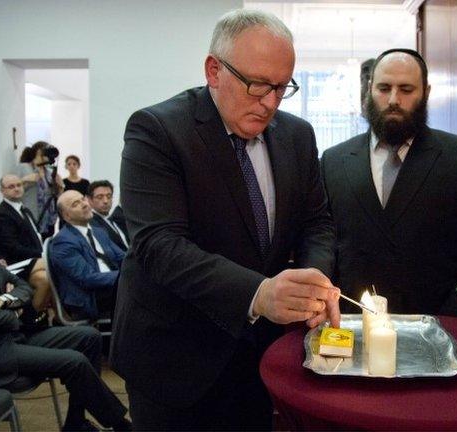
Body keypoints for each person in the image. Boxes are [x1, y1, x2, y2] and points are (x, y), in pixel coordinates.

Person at [110, 10, 341, 430]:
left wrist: (311, 279)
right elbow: (159, 245)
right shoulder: (157, 130)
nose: (270, 102)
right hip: (175, 358)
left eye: (281, 87)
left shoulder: (298, 135)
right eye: (256, 85)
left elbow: (317, 222)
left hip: (260, 354)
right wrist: (259, 293)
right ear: (213, 71)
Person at [321, 48, 457, 316]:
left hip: (437, 330)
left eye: (406, 90)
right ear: (370, 89)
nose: (393, 99)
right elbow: (323, 241)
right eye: (384, 88)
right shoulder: (333, 161)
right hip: (350, 327)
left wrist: (449, 321)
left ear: (426, 93)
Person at [0, 197, 131, 432]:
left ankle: (75, 421)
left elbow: (22, 286)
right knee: (74, 362)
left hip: (15, 334)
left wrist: (1, 300)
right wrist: (15, 311)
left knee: (89, 336)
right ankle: (121, 425)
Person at [52, 190, 124, 320]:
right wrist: (125, 277)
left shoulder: (99, 232)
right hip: (92, 297)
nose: (84, 204)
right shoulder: (63, 241)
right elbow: (87, 278)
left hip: (114, 287)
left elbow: (123, 258)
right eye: (75, 204)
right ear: (67, 216)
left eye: (83, 199)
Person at [0, 174, 52, 313]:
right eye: (11, 187)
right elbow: (12, 248)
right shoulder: (3, 214)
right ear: (2, 191)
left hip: (29, 261)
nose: (16, 189)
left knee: (47, 277)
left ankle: (44, 316)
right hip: (13, 265)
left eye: (19, 185)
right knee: (50, 271)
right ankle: (31, 318)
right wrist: (41, 254)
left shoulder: (23, 209)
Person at [18, 141, 64, 238]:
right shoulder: (24, 167)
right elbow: (12, 189)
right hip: (31, 217)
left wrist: (60, 188)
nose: (49, 155)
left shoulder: (49, 171)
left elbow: (56, 196)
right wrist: (24, 180)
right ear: (38, 152)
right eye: (46, 151)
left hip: (48, 220)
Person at [87, 180, 129, 251]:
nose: (105, 201)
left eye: (109, 196)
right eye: (100, 197)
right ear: (90, 200)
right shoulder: (92, 224)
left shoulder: (114, 220)